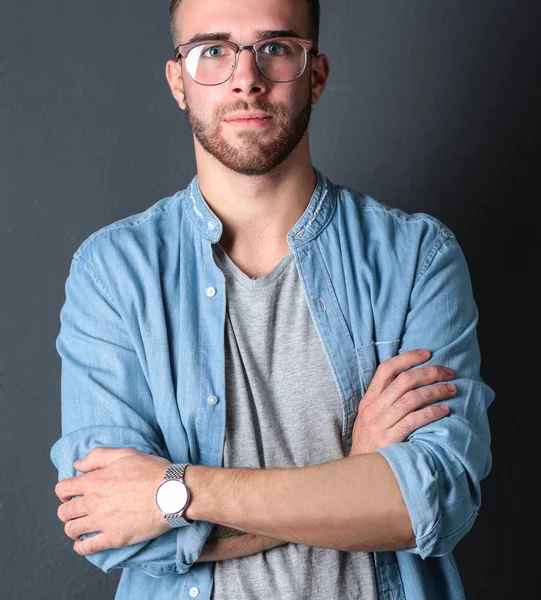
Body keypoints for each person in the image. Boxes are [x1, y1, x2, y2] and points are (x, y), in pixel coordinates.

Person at [50, 0, 495, 599]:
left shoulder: (415, 258)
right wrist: (352, 475)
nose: (246, 78)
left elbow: (434, 501)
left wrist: (175, 494)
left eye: (276, 48)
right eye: (213, 51)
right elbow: (114, 527)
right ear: (178, 81)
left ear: (316, 73)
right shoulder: (111, 274)